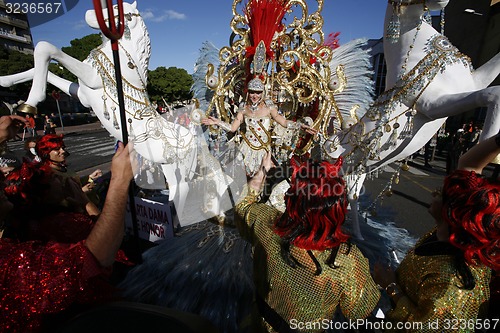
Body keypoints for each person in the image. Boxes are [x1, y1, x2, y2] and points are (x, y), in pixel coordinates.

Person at [235, 152, 380, 332]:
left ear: (292, 200)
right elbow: (359, 313)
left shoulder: (267, 224)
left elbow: (243, 204)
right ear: (338, 207)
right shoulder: (347, 260)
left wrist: (263, 170)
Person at [374, 131, 500, 330]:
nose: (434, 192)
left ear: (453, 212)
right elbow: (468, 164)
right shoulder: (450, 234)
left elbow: (424, 327)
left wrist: (391, 287)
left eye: (442, 193)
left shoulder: (453, 282)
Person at [202, 76, 314, 177]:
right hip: (246, 149)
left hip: (263, 150)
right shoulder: (243, 108)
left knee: (264, 178)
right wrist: (217, 122)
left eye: (258, 92)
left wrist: (300, 126)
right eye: (252, 92)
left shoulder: (269, 107)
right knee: (242, 178)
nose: (254, 96)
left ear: (262, 93)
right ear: (248, 93)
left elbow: (283, 122)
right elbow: (233, 128)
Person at [35, 134, 100, 216]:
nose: (63, 151)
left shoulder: (63, 168)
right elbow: (56, 202)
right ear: (45, 152)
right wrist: (82, 192)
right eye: (56, 149)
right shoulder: (48, 175)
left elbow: (75, 183)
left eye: (63, 148)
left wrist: (89, 177)